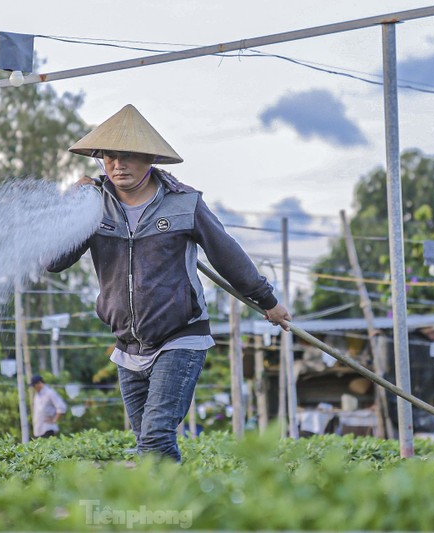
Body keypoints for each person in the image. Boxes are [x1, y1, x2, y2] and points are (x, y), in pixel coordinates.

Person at [46, 104, 291, 462]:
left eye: (129, 157)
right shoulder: (93, 206)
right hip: (128, 345)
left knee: (157, 438)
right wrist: (71, 209)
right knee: (146, 442)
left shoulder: (184, 204)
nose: (119, 165)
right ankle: (166, 511)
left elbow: (228, 256)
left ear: (149, 159)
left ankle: (175, 514)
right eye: (111, 157)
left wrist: (268, 301)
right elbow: (54, 261)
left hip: (181, 335)